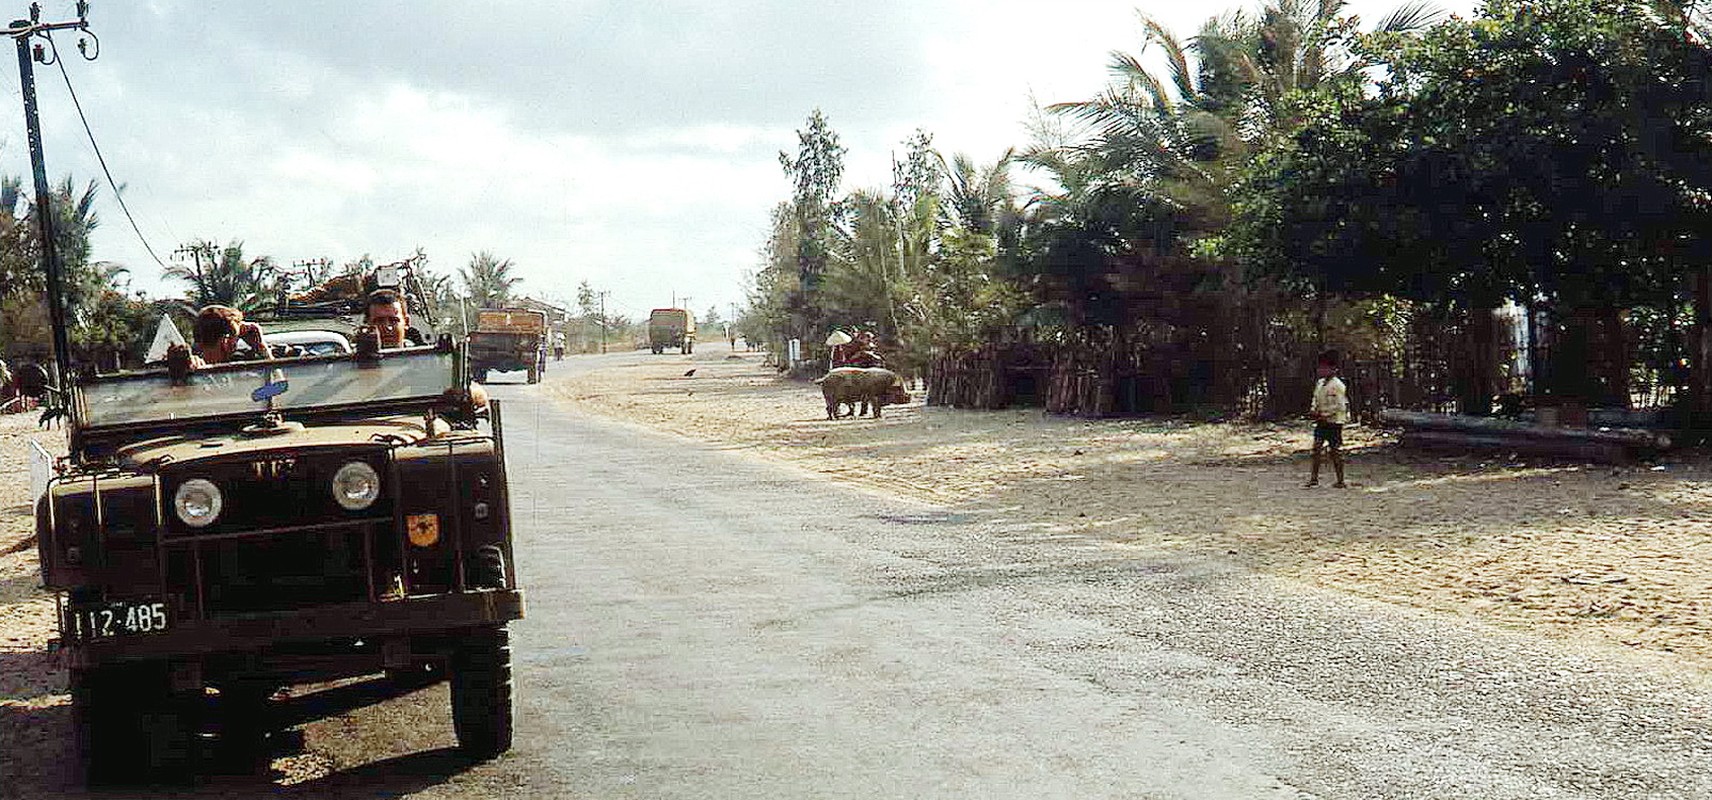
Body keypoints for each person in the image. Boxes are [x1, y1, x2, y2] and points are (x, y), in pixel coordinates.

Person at [1307, 349, 1348, 488]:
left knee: (1335, 450)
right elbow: (1315, 398)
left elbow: (1339, 406)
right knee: (1316, 447)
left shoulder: (1337, 386)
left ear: (1333, 369)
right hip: (1321, 421)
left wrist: (1324, 414)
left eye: (1324, 368)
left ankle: (1340, 479)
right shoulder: (1320, 384)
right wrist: (1314, 410)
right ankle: (1314, 478)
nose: (1321, 370)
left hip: (1334, 421)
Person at [193, 305, 270, 366]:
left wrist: (262, 348)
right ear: (225, 341)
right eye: (234, 338)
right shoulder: (194, 367)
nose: (234, 346)